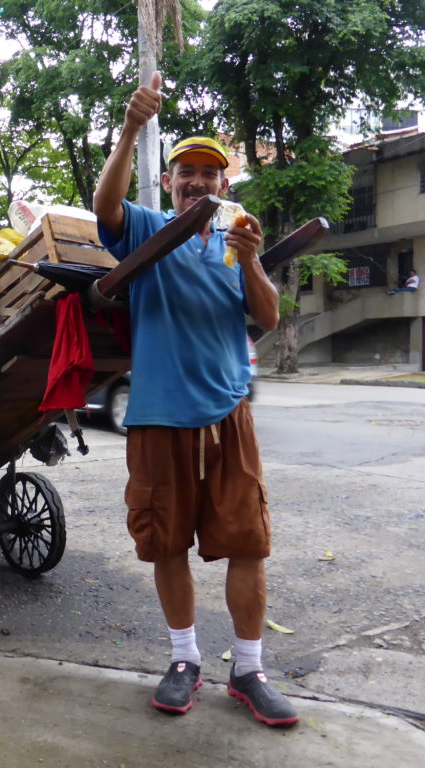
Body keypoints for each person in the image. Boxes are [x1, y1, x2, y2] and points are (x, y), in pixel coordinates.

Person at [92, 71, 298, 727]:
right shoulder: (151, 229)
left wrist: (255, 259)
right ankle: (184, 659)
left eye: (210, 175)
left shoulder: (239, 242)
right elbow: (104, 209)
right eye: (187, 173)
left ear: (224, 185)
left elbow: (264, 318)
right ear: (171, 182)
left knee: (249, 546)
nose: (198, 183)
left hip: (227, 416)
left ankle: (248, 669)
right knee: (168, 544)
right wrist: (129, 129)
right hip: (156, 416)